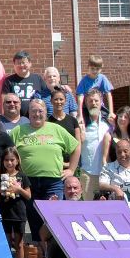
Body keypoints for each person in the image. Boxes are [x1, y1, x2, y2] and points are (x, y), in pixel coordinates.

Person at [11, 99, 78, 242]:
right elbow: (8, 153)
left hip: (53, 182)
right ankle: (38, 256)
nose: (37, 114)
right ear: (28, 113)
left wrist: (71, 169)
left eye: (40, 111)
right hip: (28, 182)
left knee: (54, 218)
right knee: (34, 218)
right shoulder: (18, 131)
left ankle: (55, 252)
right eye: (33, 111)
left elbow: (76, 147)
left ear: (46, 113)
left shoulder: (56, 129)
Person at [40, 174, 84, 258]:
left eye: (75, 188)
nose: (72, 191)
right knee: (54, 238)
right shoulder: (57, 208)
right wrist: (51, 213)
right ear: (64, 191)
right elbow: (43, 235)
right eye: (69, 188)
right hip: (63, 254)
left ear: (81, 189)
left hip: (85, 248)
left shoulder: (89, 207)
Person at [0, 146, 32, 258]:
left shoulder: (22, 176)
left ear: (17, 161)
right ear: (3, 161)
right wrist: (0, 191)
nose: (9, 163)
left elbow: (28, 196)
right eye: (6, 160)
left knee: (19, 244)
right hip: (5, 213)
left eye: (12, 160)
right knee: (5, 243)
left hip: (18, 214)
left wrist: (19, 189)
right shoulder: (0, 177)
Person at [78, 90, 112, 201]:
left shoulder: (109, 122)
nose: (93, 103)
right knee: (89, 206)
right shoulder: (81, 123)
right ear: (86, 103)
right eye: (90, 101)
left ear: (101, 102)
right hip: (88, 172)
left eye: (96, 100)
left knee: (108, 206)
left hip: (108, 173)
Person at [75, 55, 114, 121]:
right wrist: (80, 114)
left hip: (99, 107)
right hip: (87, 107)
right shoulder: (84, 80)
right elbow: (80, 98)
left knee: (107, 120)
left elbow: (108, 95)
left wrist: (111, 112)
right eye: (92, 68)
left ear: (101, 68)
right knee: (84, 121)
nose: (95, 71)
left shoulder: (102, 78)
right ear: (88, 67)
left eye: (97, 69)